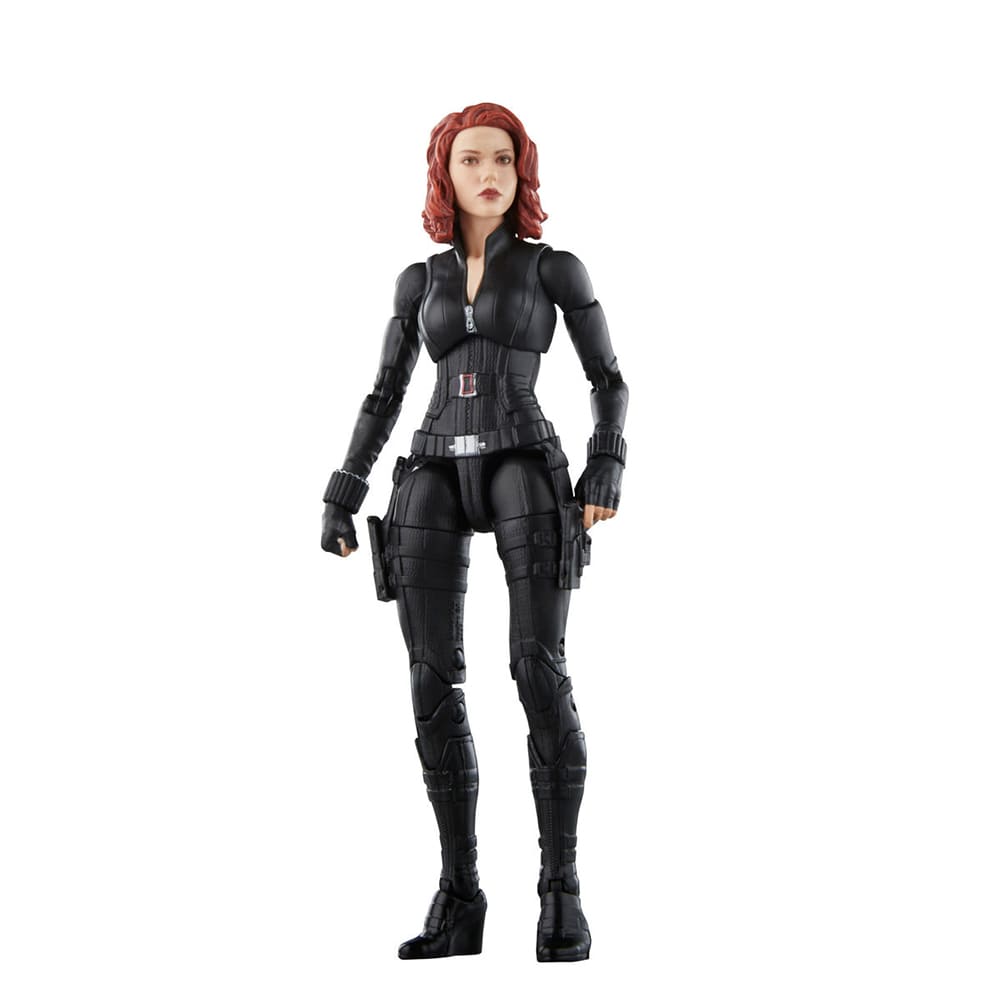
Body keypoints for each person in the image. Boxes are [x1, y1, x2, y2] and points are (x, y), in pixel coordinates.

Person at [321, 103, 628, 962]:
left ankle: (561, 890)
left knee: (537, 669)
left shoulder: (553, 268)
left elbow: (608, 378)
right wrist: (344, 489)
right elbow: (384, 393)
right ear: (444, 174)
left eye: (502, 158)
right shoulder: (418, 283)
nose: (487, 174)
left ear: (520, 170)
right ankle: (459, 896)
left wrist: (607, 461)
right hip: (428, 468)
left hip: (523, 461)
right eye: (469, 160)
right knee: (429, 680)